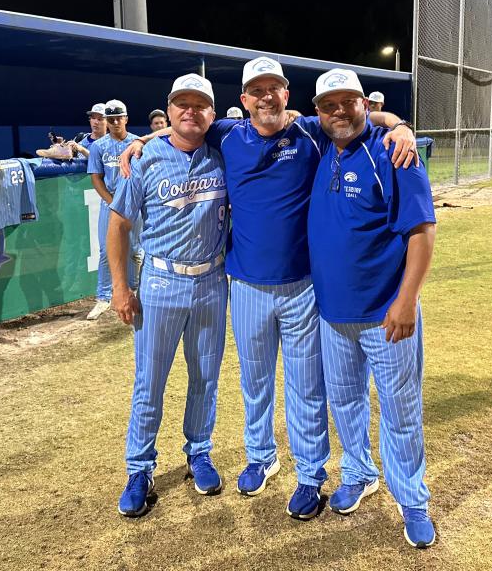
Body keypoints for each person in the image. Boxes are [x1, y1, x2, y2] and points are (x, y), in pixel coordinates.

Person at [119, 56, 419, 521]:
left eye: (274, 88)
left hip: (302, 287)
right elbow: (184, 126)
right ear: (243, 100)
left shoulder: (310, 134)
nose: (265, 97)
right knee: (254, 383)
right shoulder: (227, 135)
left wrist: (401, 125)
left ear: (287, 95)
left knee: (305, 386)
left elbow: (355, 117)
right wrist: (138, 139)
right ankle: (261, 457)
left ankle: (310, 473)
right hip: (244, 287)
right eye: (256, 90)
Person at [307, 68, 438, 549]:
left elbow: (423, 233)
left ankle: (412, 499)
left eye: (348, 102)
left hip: (387, 314)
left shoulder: (391, 153)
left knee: (400, 410)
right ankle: (360, 473)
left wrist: (407, 300)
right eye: (328, 104)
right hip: (333, 315)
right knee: (345, 402)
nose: (338, 111)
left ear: (365, 103)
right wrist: (140, 143)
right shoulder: (320, 145)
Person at [108, 74, 229, 517]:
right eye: (182, 104)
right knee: (149, 383)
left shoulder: (222, 155)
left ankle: (198, 452)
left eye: (200, 105)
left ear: (212, 114)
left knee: (206, 378)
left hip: (212, 282)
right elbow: (119, 225)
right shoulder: (146, 158)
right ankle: (139, 468)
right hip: (160, 281)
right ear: (170, 108)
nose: (190, 111)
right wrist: (121, 287)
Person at [86, 100, 141, 321]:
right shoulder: (99, 146)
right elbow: (96, 178)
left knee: (136, 251)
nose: (115, 122)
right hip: (110, 204)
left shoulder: (137, 143)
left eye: (119, 117)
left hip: (134, 204)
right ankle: (103, 297)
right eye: (111, 119)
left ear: (126, 118)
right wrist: (112, 203)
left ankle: (135, 289)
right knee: (105, 251)